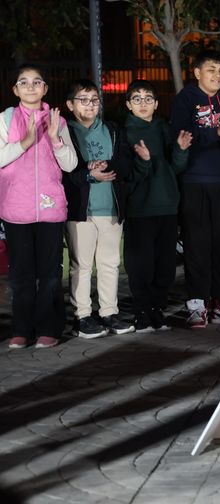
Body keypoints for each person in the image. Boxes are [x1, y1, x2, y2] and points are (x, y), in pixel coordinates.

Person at [170, 49, 220, 329]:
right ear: (197, 73)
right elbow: (182, 135)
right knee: (197, 245)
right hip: (194, 182)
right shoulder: (186, 100)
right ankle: (197, 304)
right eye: (211, 70)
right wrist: (218, 132)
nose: (217, 75)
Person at [0, 64, 77, 349]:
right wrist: (26, 141)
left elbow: (70, 164)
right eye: (23, 82)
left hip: (50, 209)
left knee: (50, 272)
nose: (30, 87)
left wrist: (55, 138)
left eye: (36, 82)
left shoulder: (58, 120)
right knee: (20, 274)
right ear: (15, 89)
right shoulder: (5, 120)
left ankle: (49, 328)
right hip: (15, 208)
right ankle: (20, 329)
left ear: (44, 88)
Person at [64, 78, 135, 339]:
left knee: (109, 263)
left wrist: (109, 167)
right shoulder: (65, 132)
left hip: (111, 207)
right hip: (81, 210)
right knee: (81, 265)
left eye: (94, 99)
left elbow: (125, 165)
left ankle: (109, 312)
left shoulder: (112, 130)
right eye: (83, 99)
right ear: (70, 104)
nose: (91, 104)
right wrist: (89, 174)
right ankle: (82, 316)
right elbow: (64, 172)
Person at [123, 79, 192, 332]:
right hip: (140, 209)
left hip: (167, 206)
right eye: (137, 98)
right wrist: (142, 162)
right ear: (129, 105)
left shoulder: (164, 129)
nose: (143, 103)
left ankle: (157, 309)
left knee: (164, 263)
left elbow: (174, 169)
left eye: (148, 98)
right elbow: (127, 177)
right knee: (141, 263)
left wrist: (181, 150)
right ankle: (141, 311)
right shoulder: (125, 132)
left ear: (156, 104)